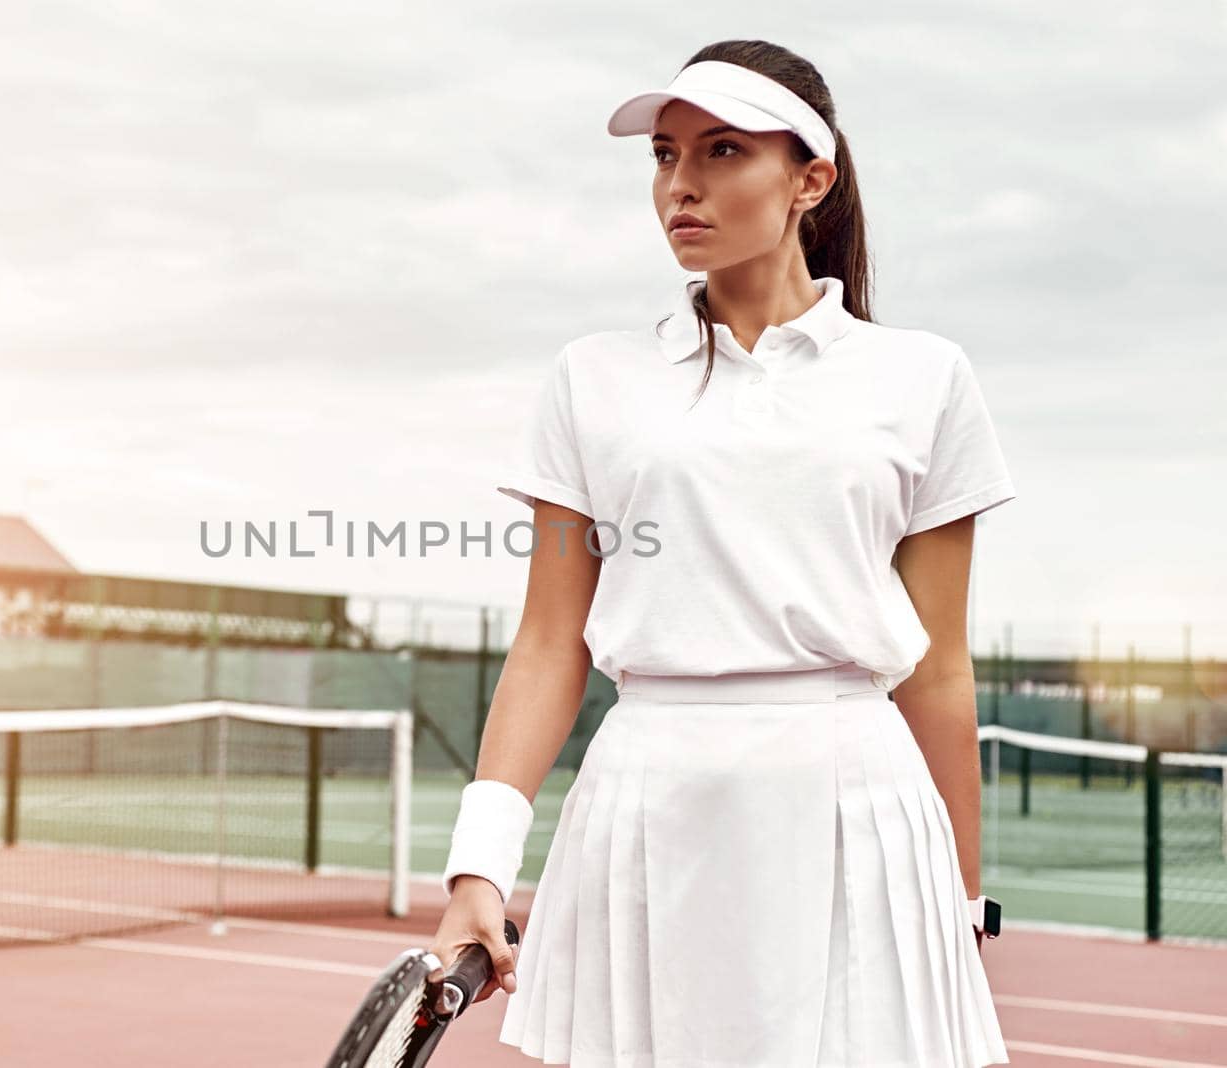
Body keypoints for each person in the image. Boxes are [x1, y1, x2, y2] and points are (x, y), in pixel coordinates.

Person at [427, 38, 1015, 1068]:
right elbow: (547, 644)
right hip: (649, 791)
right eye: (663, 154)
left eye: (723, 150)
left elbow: (938, 669)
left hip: (857, 799)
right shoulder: (590, 378)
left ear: (809, 179)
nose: (680, 185)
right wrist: (477, 869)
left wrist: (961, 901)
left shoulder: (922, 378)